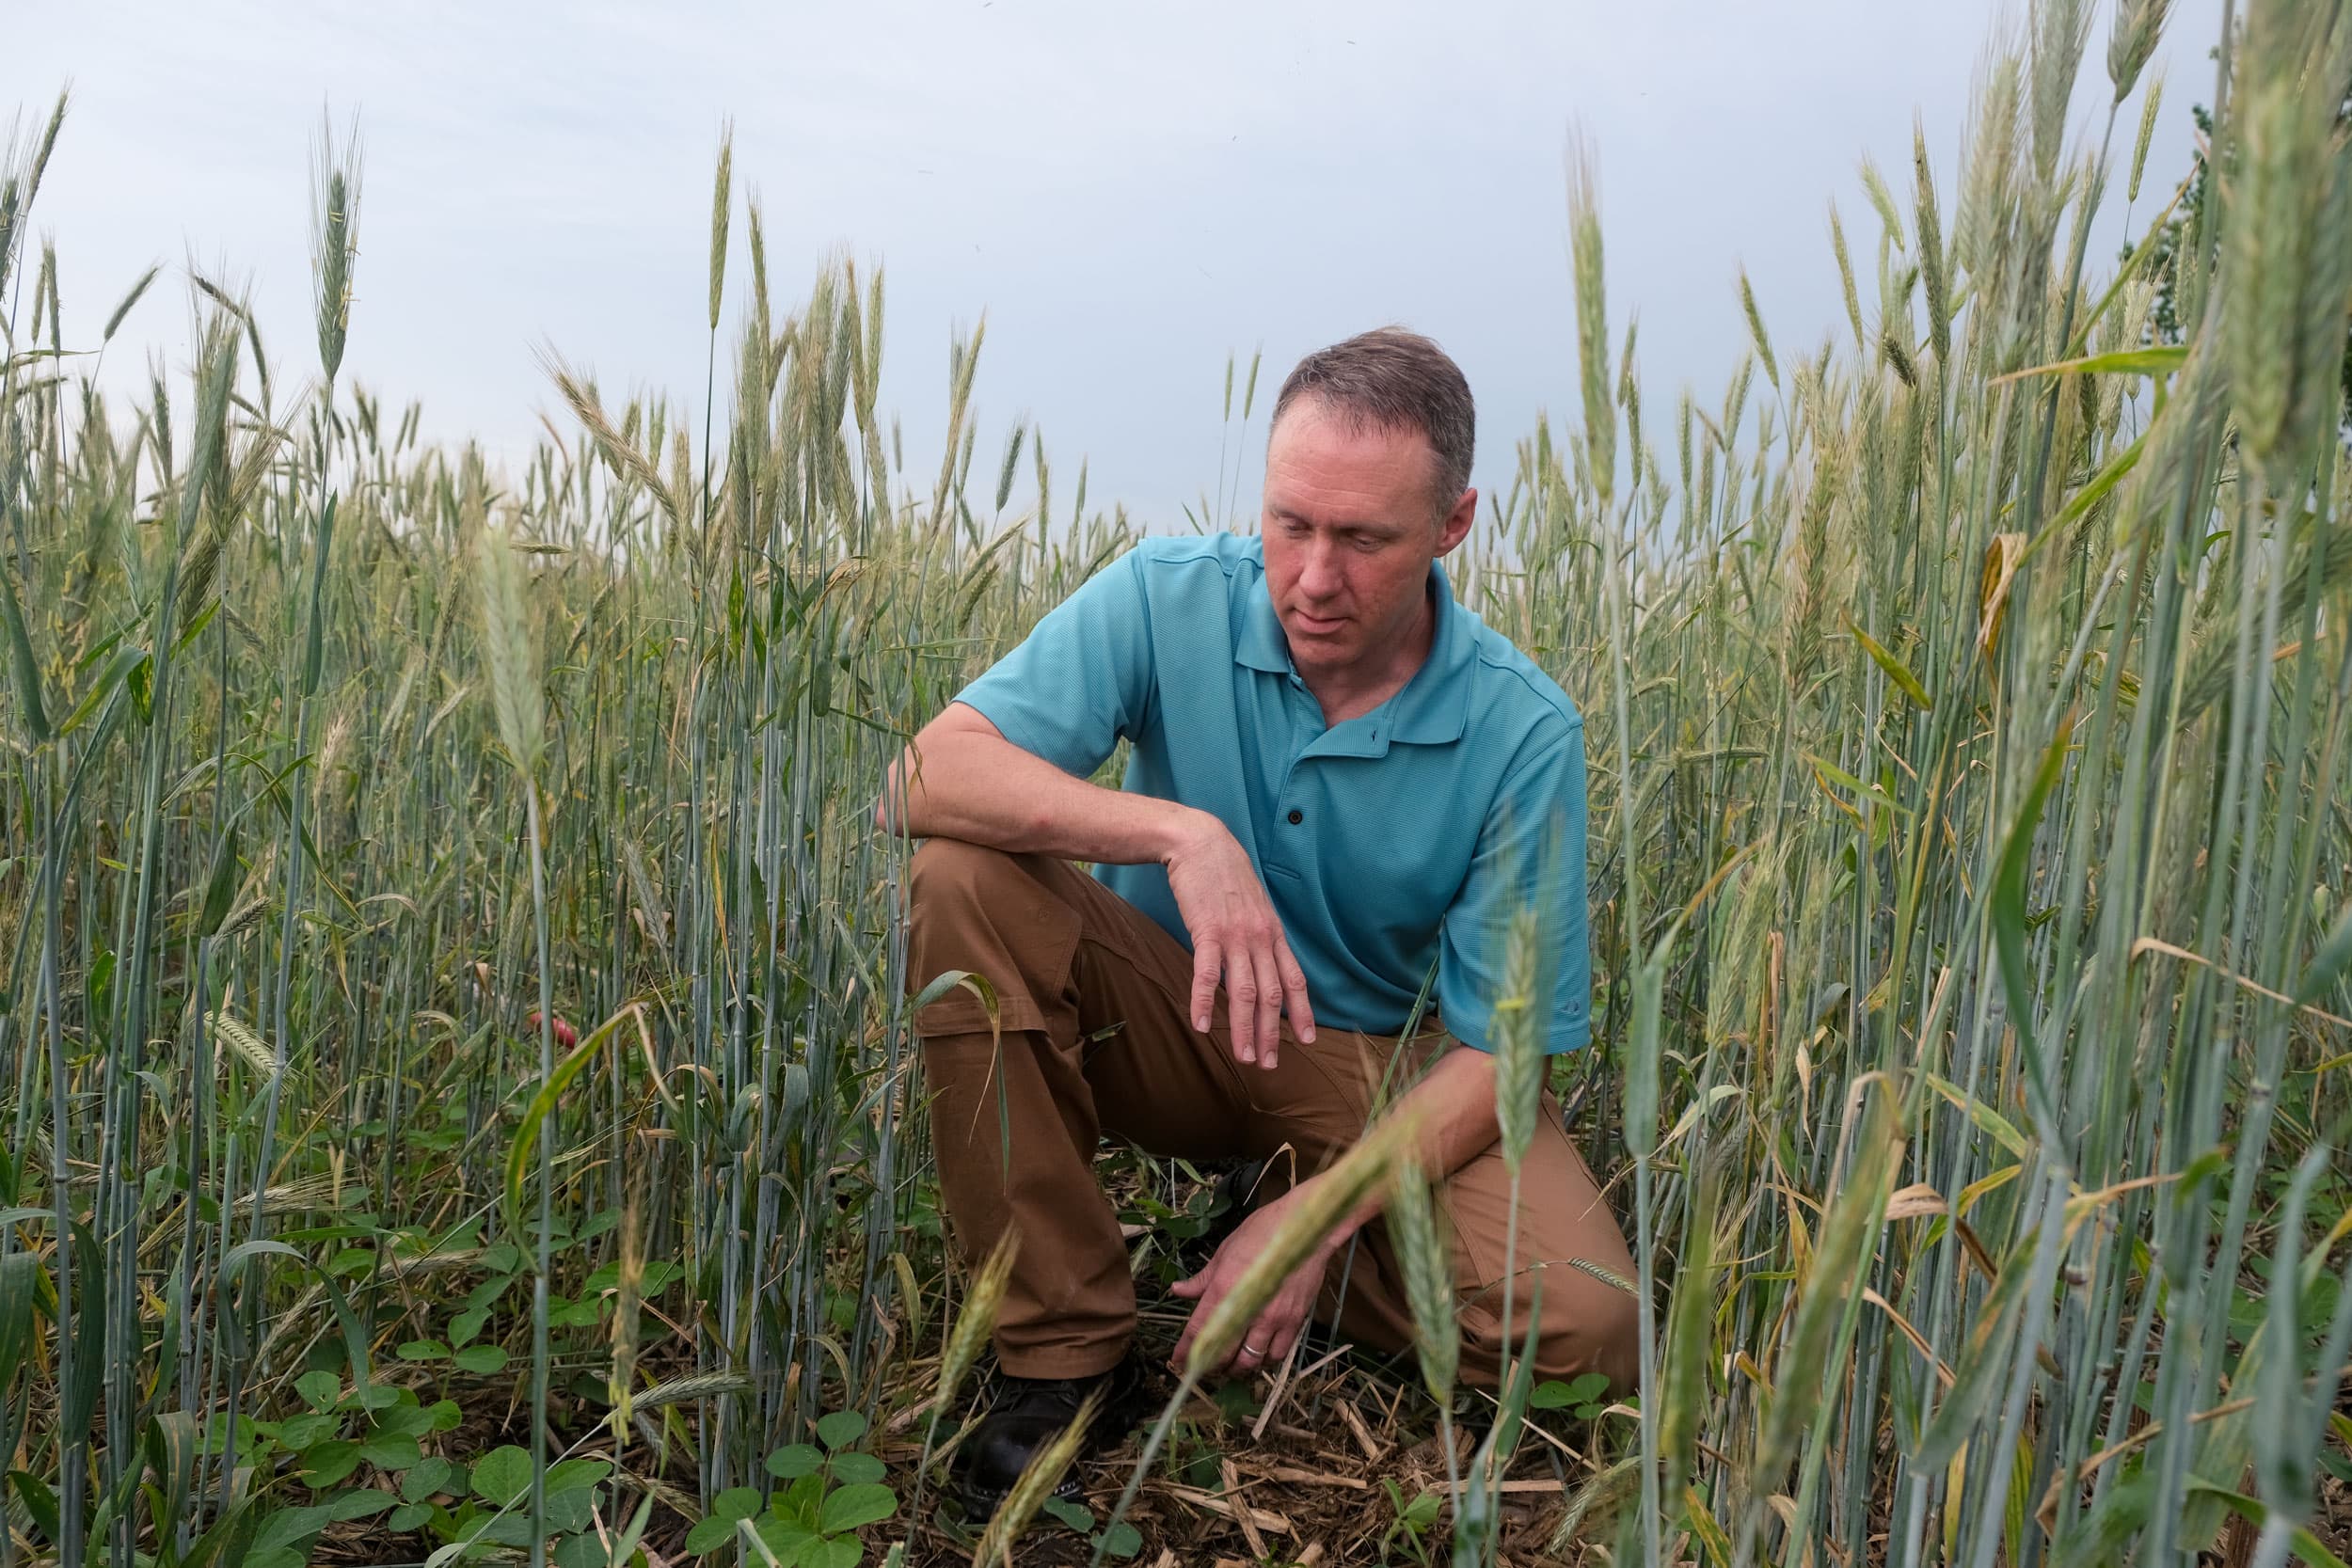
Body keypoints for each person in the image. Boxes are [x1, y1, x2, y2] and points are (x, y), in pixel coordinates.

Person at [877, 327, 1639, 1513]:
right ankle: (1063, 1350)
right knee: (962, 876)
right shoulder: (1162, 594)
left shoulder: (1522, 730)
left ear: (1454, 525)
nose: (1313, 578)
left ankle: (1284, 1233)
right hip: (1159, 1020)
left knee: (1591, 1328)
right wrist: (1182, 835)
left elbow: (1504, 1056)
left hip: (1365, 1073)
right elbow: (921, 776)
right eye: (1291, 523)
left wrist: (1320, 1214)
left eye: (1364, 538)